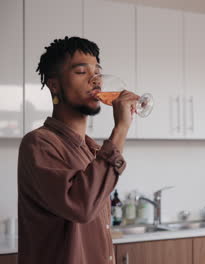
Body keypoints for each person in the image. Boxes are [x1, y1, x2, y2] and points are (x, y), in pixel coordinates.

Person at [17, 36, 139, 264]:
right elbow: (81, 207)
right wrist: (121, 129)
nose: (96, 80)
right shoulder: (38, 143)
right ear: (54, 85)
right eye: (82, 72)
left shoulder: (92, 149)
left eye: (98, 72)